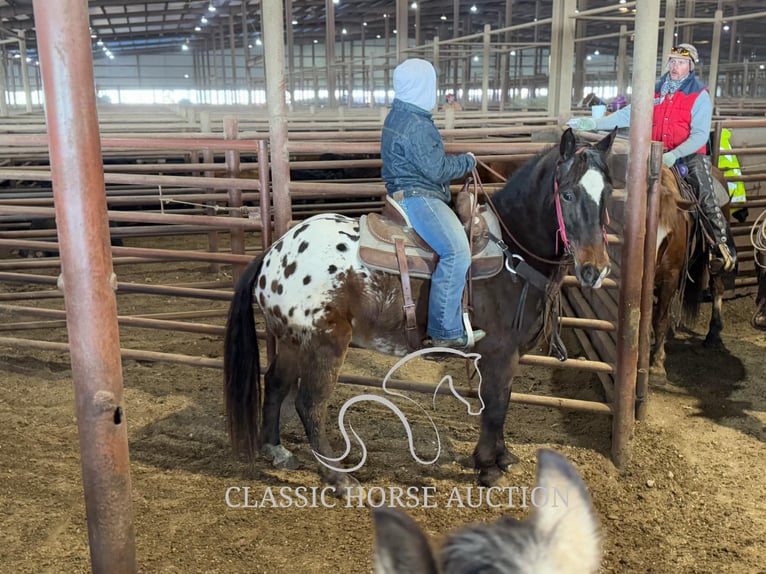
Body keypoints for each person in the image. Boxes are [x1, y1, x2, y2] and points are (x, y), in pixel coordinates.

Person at [570, 43, 736, 272]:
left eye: (681, 62)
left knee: (706, 193)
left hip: (686, 156)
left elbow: (699, 135)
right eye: (673, 61)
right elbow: (630, 113)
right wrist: (596, 123)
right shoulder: (656, 90)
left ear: (691, 66)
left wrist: (675, 154)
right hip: (653, 154)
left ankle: (721, 246)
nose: (675, 66)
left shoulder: (699, 95)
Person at [380, 58, 484, 349]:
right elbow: (437, 170)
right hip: (419, 197)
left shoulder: (400, 114)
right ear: (424, 86)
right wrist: (467, 161)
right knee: (456, 251)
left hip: (404, 191)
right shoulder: (417, 125)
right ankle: (445, 331)